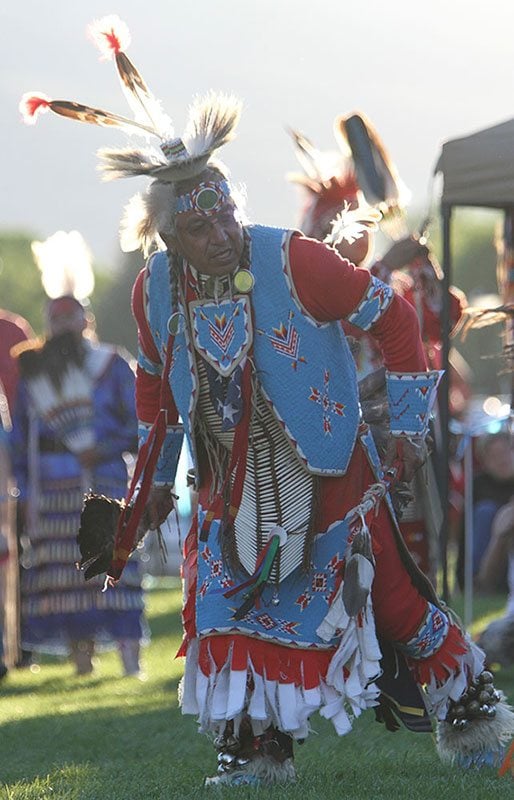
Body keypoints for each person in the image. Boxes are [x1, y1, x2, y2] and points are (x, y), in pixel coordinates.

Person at [22, 15, 513, 786]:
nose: (219, 229)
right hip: (225, 491)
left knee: (395, 605)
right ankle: (257, 753)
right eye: (199, 223)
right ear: (169, 239)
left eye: (223, 210)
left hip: (330, 474)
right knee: (220, 613)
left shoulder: (290, 259)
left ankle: (479, 717)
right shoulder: (157, 291)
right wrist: (146, 492)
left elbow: (394, 317)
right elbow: (157, 396)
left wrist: (410, 426)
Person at [9, 231, 145, 677]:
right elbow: (20, 439)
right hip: (51, 486)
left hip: (103, 479)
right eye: (55, 318)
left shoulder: (112, 365)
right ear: (47, 323)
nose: (64, 326)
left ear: (86, 320)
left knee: (113, 565)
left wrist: (102, 449)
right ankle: (81, 662)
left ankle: (129, 662)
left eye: (71, 317)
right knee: (64, 573)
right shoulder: (34, 377)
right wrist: (25, 492)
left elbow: (137, 427)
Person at [457, 431, 514, 593]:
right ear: (485, 462)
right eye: (494, 456)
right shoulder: (477, 485)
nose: (502, 460)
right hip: (490, 556)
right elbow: (464, 536)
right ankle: (477, 583)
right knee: (485, 512)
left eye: (505, 452)